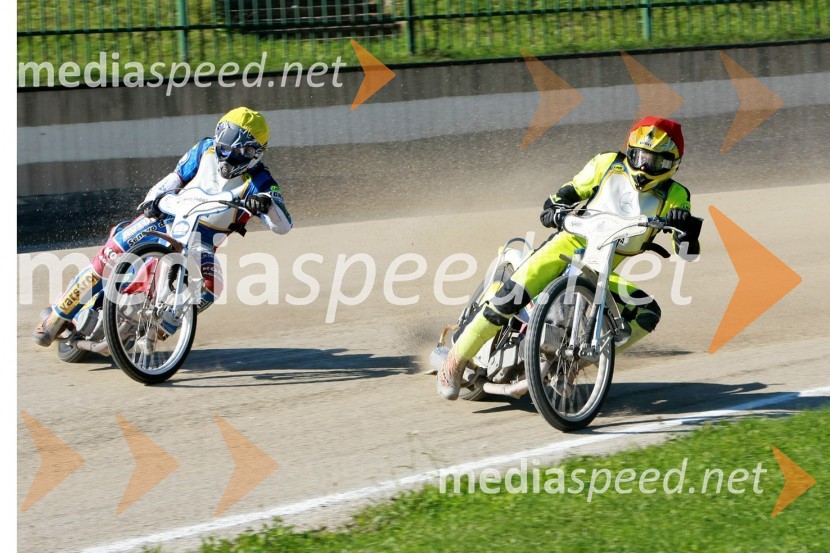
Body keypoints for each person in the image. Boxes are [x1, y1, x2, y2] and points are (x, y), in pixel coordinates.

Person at [437, 115, 702, 400]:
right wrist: (556, 208)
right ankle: (454, 361)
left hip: (601, 273)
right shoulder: (607, 164)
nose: (642, 166)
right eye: (638, 156)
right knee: (510, 297)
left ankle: (572, 364)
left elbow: (686, 253)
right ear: (629, 150)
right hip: (565, 247)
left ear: (671, 164)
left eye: (654, 162)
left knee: (647, 313)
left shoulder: (677, 196)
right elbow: (566, 193)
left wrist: (686, 230)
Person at [33, 106, 293, 347]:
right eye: (224, 147)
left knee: (211, 289)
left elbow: (283, 226)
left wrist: (267, 204)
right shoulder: (205, 149)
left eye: (238, 152)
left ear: (254, 153)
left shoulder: (262, 180)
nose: (227, 156)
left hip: (202, 242)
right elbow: (175, 178)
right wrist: (152, 200)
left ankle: (152, 332)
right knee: (111, 254)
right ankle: (57, 316)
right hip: (166, 217)